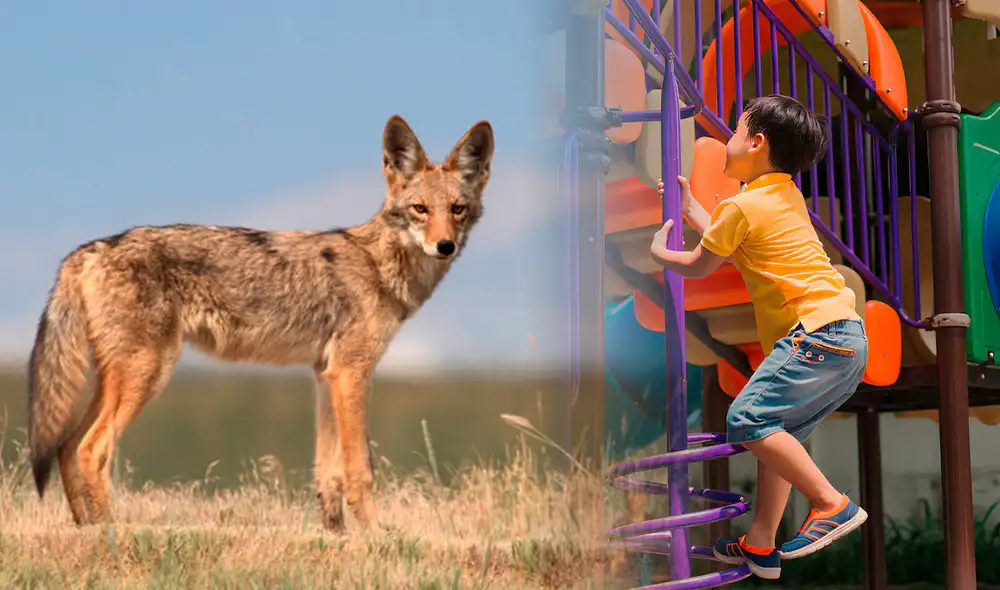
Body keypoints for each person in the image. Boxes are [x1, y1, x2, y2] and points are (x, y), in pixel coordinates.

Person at [651, 95, 869, 580]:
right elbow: (728, 242)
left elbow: (700, 264)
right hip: (846, 336)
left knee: (747, 418)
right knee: (778, 435)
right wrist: (692, 211)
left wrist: (661, 252)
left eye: (734, 130)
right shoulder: (784, 195)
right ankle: (762, 541)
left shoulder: (742, 204)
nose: (727, 140)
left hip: (812, 334)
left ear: (756, 142)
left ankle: (831, 503)